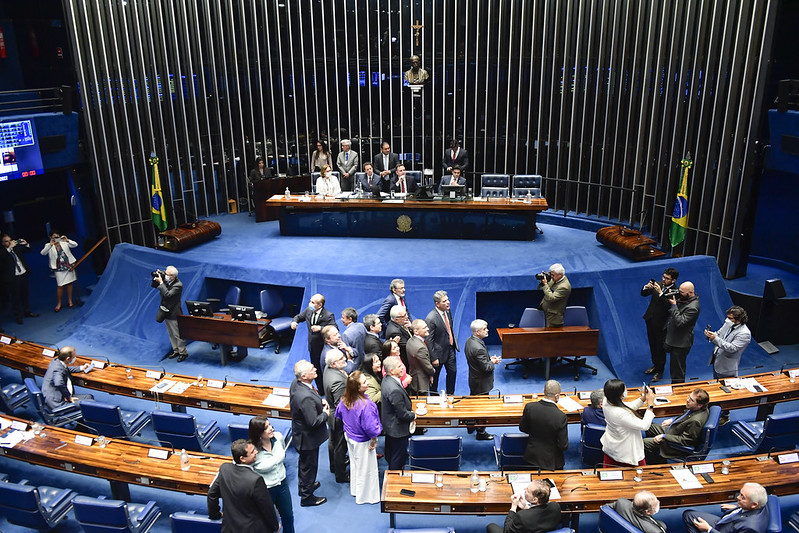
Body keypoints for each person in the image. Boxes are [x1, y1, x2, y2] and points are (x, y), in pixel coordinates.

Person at [207, 439, 280, 533]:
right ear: (242, 459)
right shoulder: (256, 480)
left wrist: (215, 514)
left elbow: (212, 494)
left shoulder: (224, 469)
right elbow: (266, 508)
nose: (256, 452)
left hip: (229, 528)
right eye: (252, 452)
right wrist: (275, 526)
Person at [335, 371, 382, 504]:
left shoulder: (344, 398)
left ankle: (356, 490)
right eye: (364, 383)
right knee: (367, 469)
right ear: (357, 387)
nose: (368, 384)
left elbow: (338, 414)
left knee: (356, 465)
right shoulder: (366, 405)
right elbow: (371, 428)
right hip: (362, 440)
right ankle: (366, 497)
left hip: (349, 436)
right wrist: (374, 438)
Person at [289, 359, 329, 507]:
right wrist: (325, 413)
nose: (315, 369)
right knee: (309, 467)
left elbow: (311, 400)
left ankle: (305, 487)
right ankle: (307, 497)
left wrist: (319, 402)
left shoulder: (296, 383)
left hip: (301, 434)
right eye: (312, 369)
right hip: (308, 439)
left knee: (305, 465)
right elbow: (313, 422)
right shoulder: (304, 396)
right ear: (304, 376)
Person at [248, 415, 294, 533]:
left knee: (288, 516)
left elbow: (282, 455)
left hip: (282, 484)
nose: (271, 429)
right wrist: (278, 459)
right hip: (265, 490)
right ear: (258, 433)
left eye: (270, 425)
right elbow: (244, 468)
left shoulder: (278, 437)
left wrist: (275, 460)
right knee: (265, 521)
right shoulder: (251, 450)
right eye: (266, 427)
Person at [644, 388, 710, 464]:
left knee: (644, 443)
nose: (687, 400)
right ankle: (653, 450)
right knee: (649, 426)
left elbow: (685, 440)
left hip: (675, 440)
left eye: (691, 400)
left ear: (699, 405)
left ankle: (656, 462)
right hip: (675, 429)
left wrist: (664, 436)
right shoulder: (696, 408)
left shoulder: (696, 421)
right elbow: (685, 416)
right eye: (689, 397)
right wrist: (672, 420)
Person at [600, 378, 656, 467]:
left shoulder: (606, 400)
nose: (626, 391)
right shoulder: (620, 414)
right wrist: (650, 405)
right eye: (624, 389)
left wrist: (643, 398)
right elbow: (644, 425)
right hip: (626, 451)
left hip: (613, 446)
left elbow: (628, 406)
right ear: (619, 395)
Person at [464, 319, 502, 440]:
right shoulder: (478, 347)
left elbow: (479, 361)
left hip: (474, 379)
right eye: (484, 329)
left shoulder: (469, 341)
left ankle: (470, 425)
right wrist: (493, 362)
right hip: (482, 382)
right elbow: (486, 368)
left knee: (473, 403)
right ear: (477, 332)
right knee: (482, 407)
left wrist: (488, 359)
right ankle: (481, 432)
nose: (487, 330)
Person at [519, 379, 569, 469]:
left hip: (531, 457)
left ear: (544, 391)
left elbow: (522, 428)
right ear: (557, 396)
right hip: (552, 461)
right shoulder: (561, 416)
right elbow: (563, 445)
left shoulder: (530, 407)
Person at [683, 482, 770, 533]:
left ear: (754, 504)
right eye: (740, 494)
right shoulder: (760, 501)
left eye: (742, 497)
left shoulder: (750, 527)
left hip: (722, 530)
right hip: (725, 523)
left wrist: (708, 529)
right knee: (688, 515)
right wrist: (737, 508)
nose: (738, 498)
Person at [291, 293, 336, 389]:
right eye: (310, 301)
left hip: (323, 346)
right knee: (316, 367)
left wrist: (320, 328)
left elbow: (334, 328)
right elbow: (299, 317)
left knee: (325, 368)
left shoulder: (328, 315)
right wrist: (294, 321)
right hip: (313, 345)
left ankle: (328, 388)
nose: (310, 303)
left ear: (320, 305)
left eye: (312, 302)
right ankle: (321, 389)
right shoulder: (309, 310)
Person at [642, 267, 680, 381]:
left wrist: (660, 293)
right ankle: (655, 365)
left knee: (660, 348)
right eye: (663, 277)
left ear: (673, 280)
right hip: (650, 319)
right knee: (652, 345)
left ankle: (660, 371)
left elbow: (668, 306)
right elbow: (643, 294)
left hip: (662, 324)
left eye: (667, 278)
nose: (663, 280)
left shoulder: (675, 292)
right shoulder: (658, 284)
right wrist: (646, 287)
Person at [381, 355, 417, 470]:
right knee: (398, 457)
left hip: (390, 426)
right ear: (392, 371)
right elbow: (402, 414)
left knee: (392, 453)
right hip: (397, 429)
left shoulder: (387, 379)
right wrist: (414, 415)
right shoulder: (394, 389)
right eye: (399, 366)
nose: (402, 368)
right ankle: (394, 480)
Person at [485, 479, 562, 533]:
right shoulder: (556, 506)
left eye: (527, 490)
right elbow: (536, 517)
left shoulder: (522, 516)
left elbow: (507, 531)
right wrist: (526, 508)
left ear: (535, 499)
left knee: (491, 526)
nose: (525, 489)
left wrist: (513, 507)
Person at [663, 281, 700, 384]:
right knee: (673, 368)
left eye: (682, 292)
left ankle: (678, 391)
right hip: (673, 338)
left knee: (677, 371)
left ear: (690, 292)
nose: (679, 294)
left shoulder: (693, 307)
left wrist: (674, 306)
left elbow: (680, 322)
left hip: (680, 343)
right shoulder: (684, 298)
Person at [425, 290, 459, 395]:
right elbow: (429, 340)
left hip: (450, 349)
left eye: (447, 300)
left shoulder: (447, 311)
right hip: (438, 354)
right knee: (435, 378)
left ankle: (450, 395)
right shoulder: (431, 318)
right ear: (437, 304)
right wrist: (434, 357)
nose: (448, 302)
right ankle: (434, 397)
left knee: (452, 373)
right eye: (444, 301)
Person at [323, 349, 349, 483]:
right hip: (338, 418)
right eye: (341, 358)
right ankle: (341, 474)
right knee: (340, 446)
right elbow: (342, 406)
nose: (345, 358)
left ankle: (334, 466)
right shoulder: (338, 382)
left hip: (331, 414)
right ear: (334, 364)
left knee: (333, 441)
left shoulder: (328, 369)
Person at [706, 306, 751, 379]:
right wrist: (711, 335)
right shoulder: (728, 324)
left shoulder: (744, 333)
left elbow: (732, 348)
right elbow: (719, 333)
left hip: (726, 368)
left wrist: (715, 338)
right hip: (717, 361)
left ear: (739, 319)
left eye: (730, 318)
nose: (727, 320)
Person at [1, 233, 38, 325]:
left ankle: (27, 312)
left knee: (25, 294)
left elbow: (27, 249)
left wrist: (25, 244)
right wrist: (9, 249)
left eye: (10, 240)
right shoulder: (2, 252)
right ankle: (18, 316)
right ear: (2, 243)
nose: (9, 242)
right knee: (15, 298)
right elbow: (3, 259)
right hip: (13, 278)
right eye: (6, 241)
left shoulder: (16, 248)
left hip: (23, 274)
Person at [154, 266, 188, 362]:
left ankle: (183, 352)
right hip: (165, 311)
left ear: (172, 276)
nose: (165, 275)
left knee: (177, 334)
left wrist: (161, 282)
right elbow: (154, 286)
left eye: (167, 274)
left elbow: (167, 294)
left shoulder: (178, 285)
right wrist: (157, 278)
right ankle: (176, 350)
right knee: (171, 333)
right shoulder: (166, 281)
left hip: (174, 312)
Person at [40, 231, 78, 312]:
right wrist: (50, 245)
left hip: (68, 265)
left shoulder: (64, 242)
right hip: (58, 268)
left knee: (69, 284)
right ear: (51, 237)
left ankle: (70, 301)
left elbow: (75, 245)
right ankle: (59, 303)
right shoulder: (48, 245)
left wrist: (67, 240)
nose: (56, 238)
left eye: (57, 236)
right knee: (60, 286)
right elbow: (43, 253)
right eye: (54, 237)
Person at [406, 318, 435, 396]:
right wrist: (433, 372)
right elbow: (427, 367)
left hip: (414, 377)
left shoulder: (410, 341)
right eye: (424, 328)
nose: (428, 329)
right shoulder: (420, 348)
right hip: (420, 383)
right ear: (416, 331)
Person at [538, 263, 571, 327]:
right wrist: (546, 278)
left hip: (553, 317)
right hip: (545, 311)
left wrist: (545, 285)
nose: (551, 277)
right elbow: (549, 285)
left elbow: (551, 298)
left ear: (560, 275)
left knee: (550, 335)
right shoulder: (556, 278)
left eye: (552, 275)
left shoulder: (564, 287)